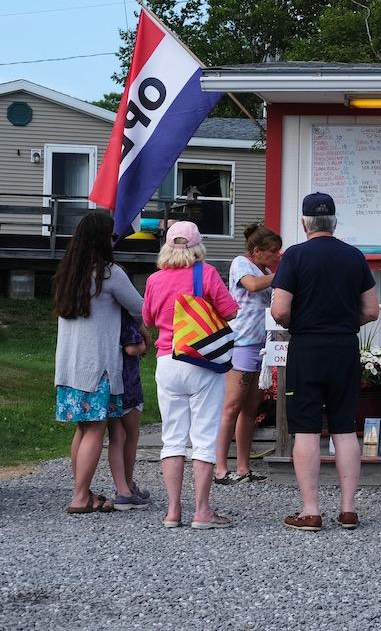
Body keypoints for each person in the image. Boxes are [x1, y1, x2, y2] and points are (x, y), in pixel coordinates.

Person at [271, 192, 378, 532]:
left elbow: (280, 310)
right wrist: (344, 324)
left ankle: (311, 510)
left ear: (304, 223)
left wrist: (297, 323)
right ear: (334, 222)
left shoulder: (294, 257)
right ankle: (348, 509)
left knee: (305, 427)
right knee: (345, 427)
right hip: (344, 346)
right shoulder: (354, 256)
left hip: (307, 346)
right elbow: (371, 310)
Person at [142, 220, 238, 530]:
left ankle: (172, 511)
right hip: (201, 361)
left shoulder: (155, 280)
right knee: (204, 438)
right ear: (197, 247)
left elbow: (149, 318)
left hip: (167, 361)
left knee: (172, 438)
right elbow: (231, 311)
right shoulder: (206, 274)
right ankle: (202, 511)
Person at [52, 209, 144, 515]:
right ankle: (80, 497)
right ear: (102, 239)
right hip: (98, 367)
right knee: (96, 429)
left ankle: (83, 490)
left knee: (82, 429)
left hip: (70, 365)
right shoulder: (109, 273)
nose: (113, 240)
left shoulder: (68, 273)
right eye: (111, 235)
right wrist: (144, 329)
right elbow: (139, 308)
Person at [213, 223, 282, 485]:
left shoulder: (265, 269)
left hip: (260, 346)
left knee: (251, 408)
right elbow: (252, 286)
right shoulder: (241, 263)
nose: (277, 255)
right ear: (257, 251)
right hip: (240, 343)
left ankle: (243, 467)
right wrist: (281, 275)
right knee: (232, 406)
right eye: (273, 251)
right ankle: (220, 468)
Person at [107, 308, 150, 510]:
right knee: (131, 435)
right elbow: (132, 348)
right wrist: (144, 344)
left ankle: (121, 486)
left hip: (110, 383)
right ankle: (128, 486)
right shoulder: (125, 314)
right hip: (128, 384)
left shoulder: (103, 314)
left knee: (116, 436)